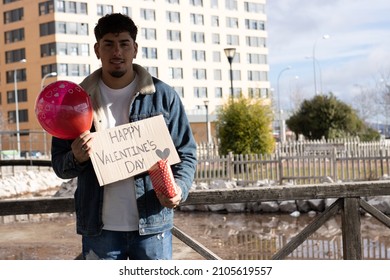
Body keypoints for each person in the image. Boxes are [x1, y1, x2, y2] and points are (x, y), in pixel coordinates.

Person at [51, 13, 197, 260]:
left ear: (135, 49)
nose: (116, 51)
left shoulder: (164, 96)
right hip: (100, 230)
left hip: (153, 226)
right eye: (108, 44)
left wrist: (179, 190)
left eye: (124, 44)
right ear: (97, 50)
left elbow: (186, 153)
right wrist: (76, 156)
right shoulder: (74, 102)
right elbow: (60, 166)